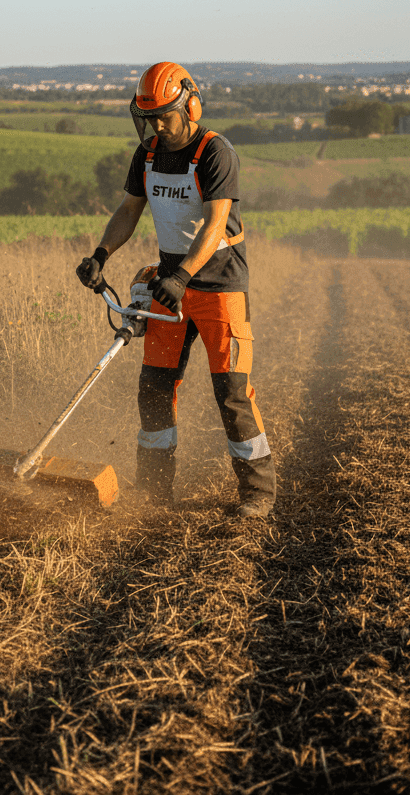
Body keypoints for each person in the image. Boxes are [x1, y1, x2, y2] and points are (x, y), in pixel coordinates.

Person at [76, 61, 276, 518]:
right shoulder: (146, 155)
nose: (156, 126)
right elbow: (129, 210)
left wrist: (183, 275)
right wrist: (100, 255)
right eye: (149, 117)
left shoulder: (214, 152)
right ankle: (153, 493)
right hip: (169, 287)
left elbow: (215, 223)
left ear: (190, 104)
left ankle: (257, 494)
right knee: (154, 387)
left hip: (219, 285)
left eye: (164, 115)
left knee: (232, 392)